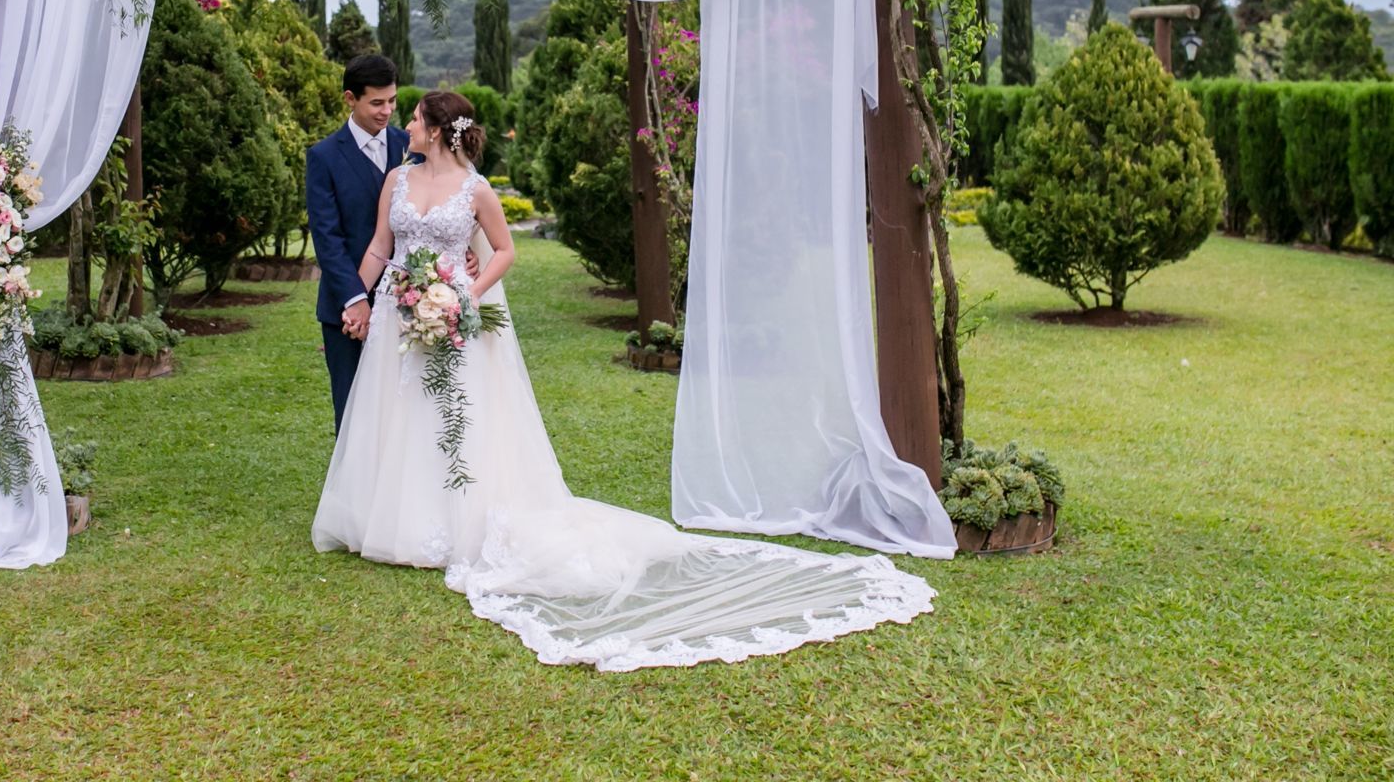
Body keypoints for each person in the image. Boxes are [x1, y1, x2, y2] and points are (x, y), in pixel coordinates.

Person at [312, 89, 937, 671]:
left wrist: (464, 296)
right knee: (400, 413)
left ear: (439, 130)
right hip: (398, 313)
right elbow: (379, 247)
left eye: (414, 117)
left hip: (457, 313)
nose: (405, 124)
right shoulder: (397, 179)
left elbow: (503, 251)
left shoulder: (476, 190)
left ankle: (454, 523)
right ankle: (390, 518)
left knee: (458, 416)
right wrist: (356, 300)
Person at [304, 54, 413, 434]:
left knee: (405, 410)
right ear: (350, 99)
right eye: (377, 103)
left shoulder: (411, 145)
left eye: (392, 101)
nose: (388, 111)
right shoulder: (323, 157)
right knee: (353, 411)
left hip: (410, 302)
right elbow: (327, 237)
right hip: (346, 308)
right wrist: (355, 299)